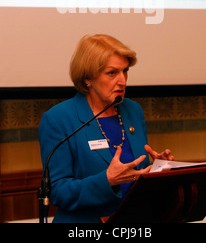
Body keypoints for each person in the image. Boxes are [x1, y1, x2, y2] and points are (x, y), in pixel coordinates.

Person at [39, 34, 174, 223]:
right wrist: (107, 180)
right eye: (112, 73)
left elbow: (135, 176)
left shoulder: (132, 110)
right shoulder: (58, 119)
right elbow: (58, 192)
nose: (123, 81)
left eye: (125, 71)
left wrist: (157, 171)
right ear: (88, 78)